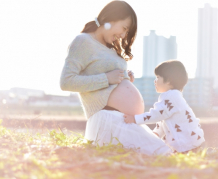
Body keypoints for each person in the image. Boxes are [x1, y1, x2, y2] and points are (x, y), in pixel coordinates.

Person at [60, 1, 172, 155]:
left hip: (123, 119)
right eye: (124, 28)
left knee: (163, 150)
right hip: (106, 118)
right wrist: (107, 78)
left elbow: (108, 79)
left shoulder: (111, 47)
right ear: (110, 18)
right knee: (162, 152)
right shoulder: (83, 41)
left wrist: (124, 79)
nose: (123, 35)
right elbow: (66, 82)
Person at [124, 60, 205, 153]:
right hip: (190, 142)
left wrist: (135, 119)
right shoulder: (172, 95)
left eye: (158, 77)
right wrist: (156, 133)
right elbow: (164, 121)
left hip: (188, 144)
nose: (155, 81)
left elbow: (156, 115)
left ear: (169, 81)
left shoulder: (171, 96)